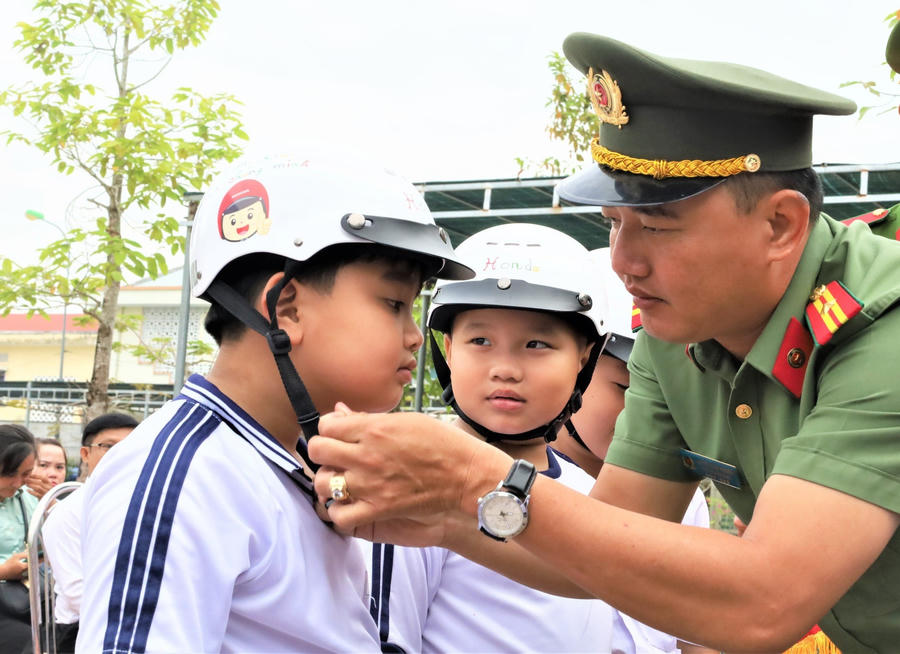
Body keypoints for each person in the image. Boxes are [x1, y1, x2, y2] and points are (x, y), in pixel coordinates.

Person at [310, 33, 900, 653]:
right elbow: (605, 543)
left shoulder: (881, 331)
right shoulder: (678, 336)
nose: (625, 264)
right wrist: (444, 520)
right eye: (614, 224)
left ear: (780, 225)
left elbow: (762, 603)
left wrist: (472, 479)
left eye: (657, 226)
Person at [75, 152, 473, 653]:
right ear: (286, 309)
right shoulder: (189, 477)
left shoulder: (288, 464)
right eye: (395, 304)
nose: (416, 336)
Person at [368, 223, 615, 652]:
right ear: (448, 350)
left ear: (584, 357)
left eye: (536, 344)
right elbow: (387, 639)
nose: (505, 368)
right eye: (479, 340)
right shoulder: (417, 482)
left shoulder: (593, 496)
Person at [553, 247, 713, 654]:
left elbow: (698, 634)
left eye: (665, 393)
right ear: (578, 366)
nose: (644, 412)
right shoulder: (514, 488)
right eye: (626, 389)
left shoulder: (683, 494)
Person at [40, 412, 138, 652]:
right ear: (85, 454)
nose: (121, 455)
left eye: (132, 447)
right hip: (81, 630)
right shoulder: (68, 514)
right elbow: (76, 593)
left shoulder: (143, 505)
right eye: (109, 447)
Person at [0, 424, 38, 654]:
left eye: (25, 474)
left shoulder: (27, 498)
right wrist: (4, 571)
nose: (17, 483)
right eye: (8, 474)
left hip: (24, 603)